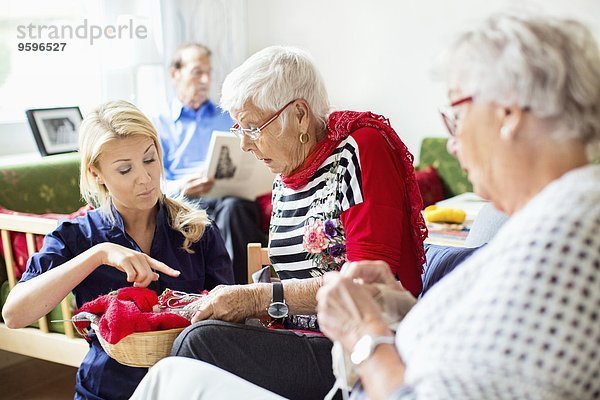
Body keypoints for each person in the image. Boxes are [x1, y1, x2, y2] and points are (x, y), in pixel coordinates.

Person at [131, 12, 599, 400]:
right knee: (180, 364)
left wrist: (364, 332)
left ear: (509, 114)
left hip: (354, 361)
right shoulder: (541, 223)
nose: (452, 143)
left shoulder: (567, 234)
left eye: (456, 115)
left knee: (185, 362)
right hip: (353, 355)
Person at [167, 45, 427, 400]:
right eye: (239, 128)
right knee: (195, 332)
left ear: (301, 115)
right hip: (300, 335)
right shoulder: (286, 172)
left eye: (253, 127)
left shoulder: (359, 149)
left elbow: (366, 283)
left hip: (353, 346)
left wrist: (257, 298)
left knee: (199, 344)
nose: (243, 144)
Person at [1, 100, 234, 400]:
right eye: (125, 169)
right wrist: (98, 254)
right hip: (106, 390)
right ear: (96, 173)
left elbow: (228, 321)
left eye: (150, 160)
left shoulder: (197, 230)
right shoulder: (76, 236)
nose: (145, 177)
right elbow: (14, 315)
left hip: (188, 387)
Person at [154, 43, 267, 284]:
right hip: (185, 200)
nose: (205, 79)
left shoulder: (226, 115)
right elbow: (154, 181)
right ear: (175, 74)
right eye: (197, 72)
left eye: (208, 72)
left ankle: (242, 293)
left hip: (228, 198)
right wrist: (182, 186)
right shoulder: (159, 124)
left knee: (235, 210)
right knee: (187, 216)